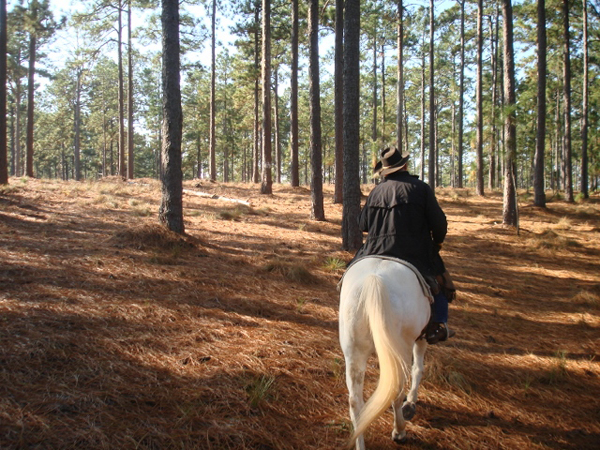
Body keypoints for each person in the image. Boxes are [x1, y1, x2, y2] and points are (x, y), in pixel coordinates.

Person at [353, 146, 455, 344]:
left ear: (386, 170)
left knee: (349, 275)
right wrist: (437, 242)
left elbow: (362, 224)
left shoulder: (376, 191)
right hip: (413, 251)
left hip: (375, 250)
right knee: (441, 282)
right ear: (405, 165)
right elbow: (439, 223)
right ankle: (438, 325)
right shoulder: (421, 188)